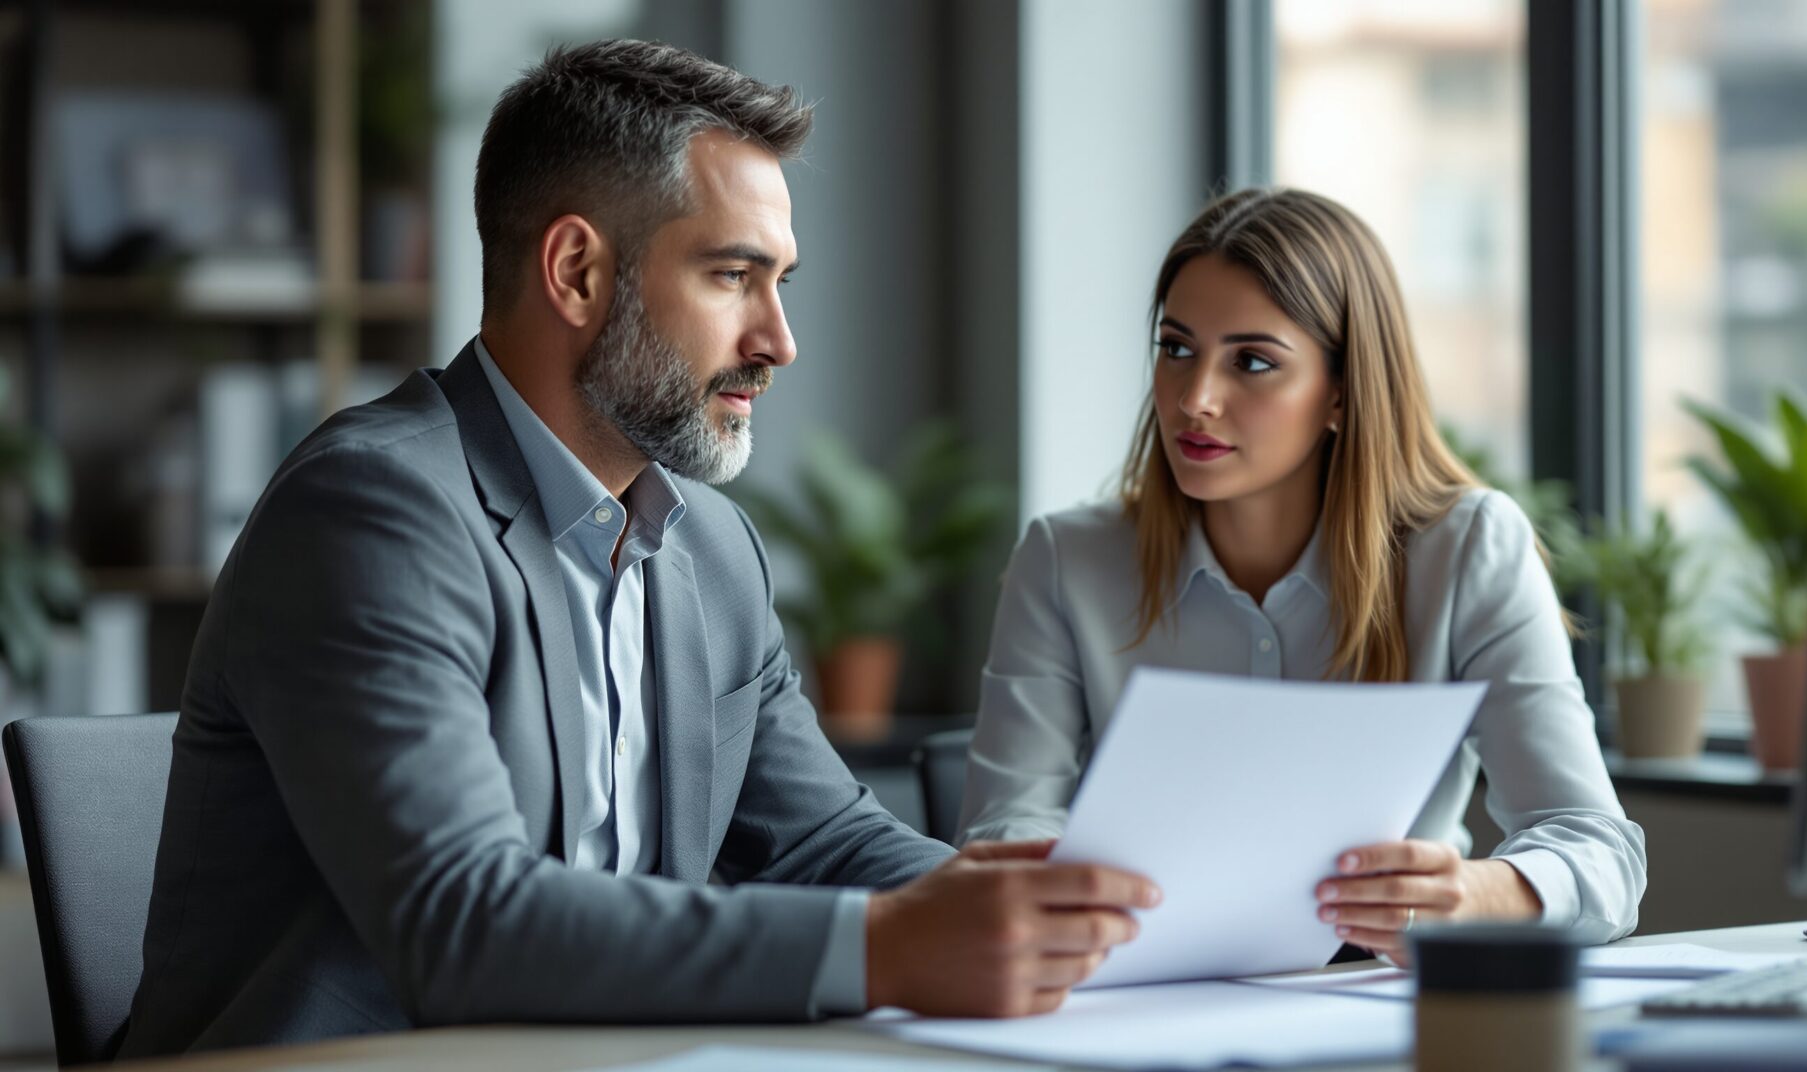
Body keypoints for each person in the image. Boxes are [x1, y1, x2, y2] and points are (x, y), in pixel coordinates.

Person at [120, 40, 1157, 1057]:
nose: (778, 339)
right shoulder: (374, 511)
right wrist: (884, 948)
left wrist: (1068, 906)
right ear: (575, 271)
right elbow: (461, 922)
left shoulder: (711, 544)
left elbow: (820, 842)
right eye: (733, 276)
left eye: (781, 280)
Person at [957, 188, 1647, 964]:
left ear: (1343, 394)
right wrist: (1055, 902)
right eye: (1177, 347)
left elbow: (1601, 855)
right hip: (1134, 991)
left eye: (1252, 362)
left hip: (1377, 1005)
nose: (1195, 399)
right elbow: (1003, 836)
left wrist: (1467, 896)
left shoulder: (1468, 549)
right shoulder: (1065, 561)